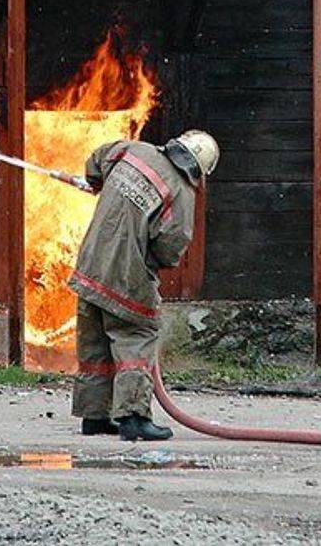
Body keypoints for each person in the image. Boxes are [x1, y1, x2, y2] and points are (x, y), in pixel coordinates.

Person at [69, 128, 220, 442]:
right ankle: (134, 417)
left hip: (89, 266)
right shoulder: (181, 193)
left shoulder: (134, 150)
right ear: (199, 169)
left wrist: (97, 184)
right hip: (127, 277)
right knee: (136, 337)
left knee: (94, 341)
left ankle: (94, 416)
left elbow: (96, 160)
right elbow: (171, 247)